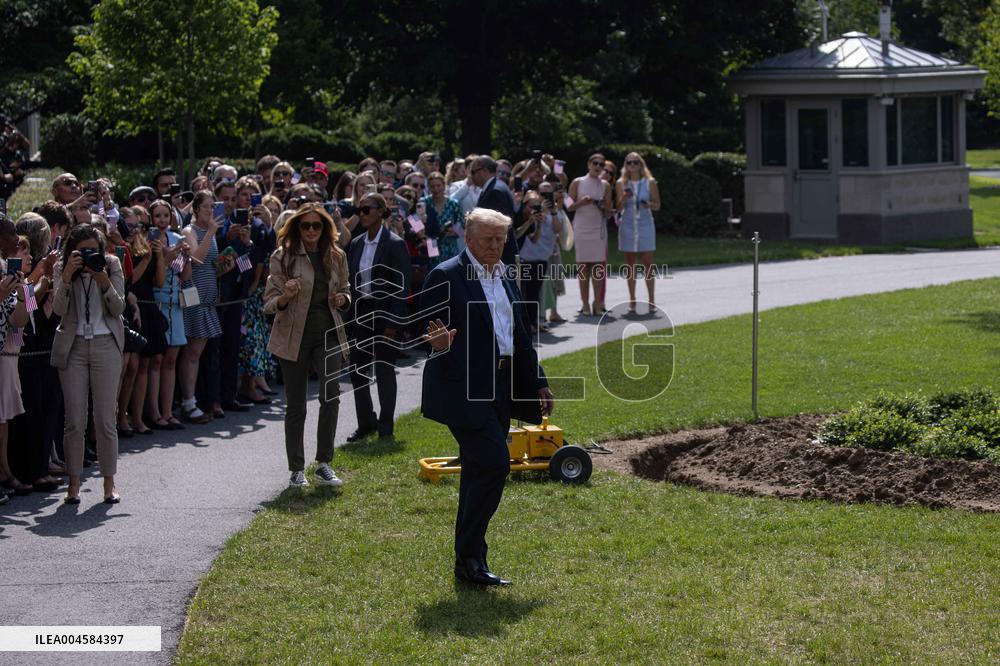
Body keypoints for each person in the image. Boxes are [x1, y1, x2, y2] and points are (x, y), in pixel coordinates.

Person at [420, 208, 554, 586]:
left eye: (500, 239)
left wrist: (539, 381)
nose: (495, 246)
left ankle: (469, 561)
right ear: (468, 239)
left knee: (479, 470)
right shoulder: (446, 275)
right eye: (487, 239)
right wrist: (439, 346)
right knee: (495, 464)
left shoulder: (506, 274)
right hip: (463, 390)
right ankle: (471, 555)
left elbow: (519, 334)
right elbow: (425, 332)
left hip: (501, 387)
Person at [264, 204, 351, 487]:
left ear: (325, 228)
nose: (312, 230)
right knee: (296, 405)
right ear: (297, 227)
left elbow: (346, 289)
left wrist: (344, 299)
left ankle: (324, 463)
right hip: (293, 337)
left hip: (329, 335)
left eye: (317, 225)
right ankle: (296, 469)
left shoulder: (337, 255)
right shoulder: (283, 256)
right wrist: (286, 296)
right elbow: (269, 303)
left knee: (331, 397)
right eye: (306, 226)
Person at [51, 223, 126, 504]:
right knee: (74, 420)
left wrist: (102, 279)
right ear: (72, 251)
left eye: (93, 251)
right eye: (82, 251)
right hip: (74, 347)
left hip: (106, 344)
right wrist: (67, 276)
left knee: (105, 418)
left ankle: (109, 482)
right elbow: (57, 310)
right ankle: (73, 483)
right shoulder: (62, 267)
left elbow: (118, 308)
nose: (88, 256)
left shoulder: (111, 264)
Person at [346, 193, 410, 441]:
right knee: (357, 370)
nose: (362, 214)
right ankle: (366, 423)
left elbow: (401, 287)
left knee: (384, 371)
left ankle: (386, 426)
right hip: (361, 312)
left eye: (367, 209)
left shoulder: (395, 244)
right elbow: (352, 282)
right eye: (359, 210)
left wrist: (394, 322)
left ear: (381, 211)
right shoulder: (356, 243)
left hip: (384, 314)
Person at [178, 192, 225, 424]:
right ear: (196, 209)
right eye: (206, 207)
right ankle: (188, 402)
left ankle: (192, 400)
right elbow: (196, 259)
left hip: (207, 298)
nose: (210, 211)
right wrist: (211, 233)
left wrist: (224, 265)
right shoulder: (190, 230)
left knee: (198, 353)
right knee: (192, 352)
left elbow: (209, 265)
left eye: (213, 206)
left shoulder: (209, 232)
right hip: (192, 296)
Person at [147, 199, 190, 430]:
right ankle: (154, 413)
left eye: (166, 215)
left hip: (176, 304)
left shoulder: (177, 238)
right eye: (158, 216)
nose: (162, 220)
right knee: (157, 360)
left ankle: (168, 411)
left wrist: (186, 257)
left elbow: (184, 275)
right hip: (158, 303)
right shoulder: (149, 240)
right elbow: (157, 279)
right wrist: (166, 256)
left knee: (172, 360)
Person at [0, 221, 30, 499]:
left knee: (5, 418)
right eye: (23, 250)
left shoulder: (22, 281)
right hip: (5, 354)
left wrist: (30, 291)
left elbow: (26, 321)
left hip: (14, 353)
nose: (27, 256)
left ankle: (8, 472)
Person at [568, 154, 612, 315]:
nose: (598, 167)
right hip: (581, 228)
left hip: (598, 230)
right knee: (583, 268)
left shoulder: (605, 185)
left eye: (601, 164)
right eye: (595, 163)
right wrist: (582, 202)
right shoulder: (577, 182)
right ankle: (585, 304)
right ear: (589, 164)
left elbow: (609, 213)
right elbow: (568, 205)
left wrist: (602, 206)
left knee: (598, 269)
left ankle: (597, 303)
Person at [515, 191, 562, 333]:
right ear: (524, 205)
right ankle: (524, 325)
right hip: (521, 259)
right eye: (531, 206)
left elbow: (534, 239)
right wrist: (529, 222)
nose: (534, 209)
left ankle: (533, 323)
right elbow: (515, 234)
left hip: (538, 260)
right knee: (524, 293)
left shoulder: (535, 219)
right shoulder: (518, 216)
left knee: (534, 293)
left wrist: (539, 225)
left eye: (537, 206)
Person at [474, 156, 519, 267]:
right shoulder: (497, 186)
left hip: (499, 257)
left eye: (473, 172)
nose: (471, 176)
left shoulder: (495, 191)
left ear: (484, 171)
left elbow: (498, 227)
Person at [423, 171, 464, 262]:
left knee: (450, 268)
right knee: (433, 267)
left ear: (444, 185)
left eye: (438, 185)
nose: (436, 189)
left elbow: (462, 225)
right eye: (432, 186)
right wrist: (421, 236)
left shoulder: (453, 204)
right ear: (429, 188)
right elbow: (414, 221)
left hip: (449, 245)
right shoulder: (424, 202)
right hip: (431, 244)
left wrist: (454, 231)